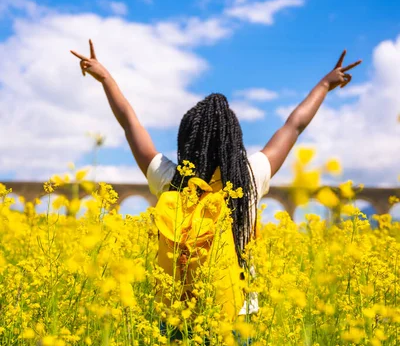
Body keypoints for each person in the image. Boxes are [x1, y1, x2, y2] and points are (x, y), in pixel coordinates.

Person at [70, 41, 362, 323]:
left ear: (185, 140)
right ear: (234, 142)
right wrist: (324, 85)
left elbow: (130, 123)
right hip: (238, 314)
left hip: (178, 315)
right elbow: (293, 126)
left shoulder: (170, 179)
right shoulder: (249, 177)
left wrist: (105, 78)